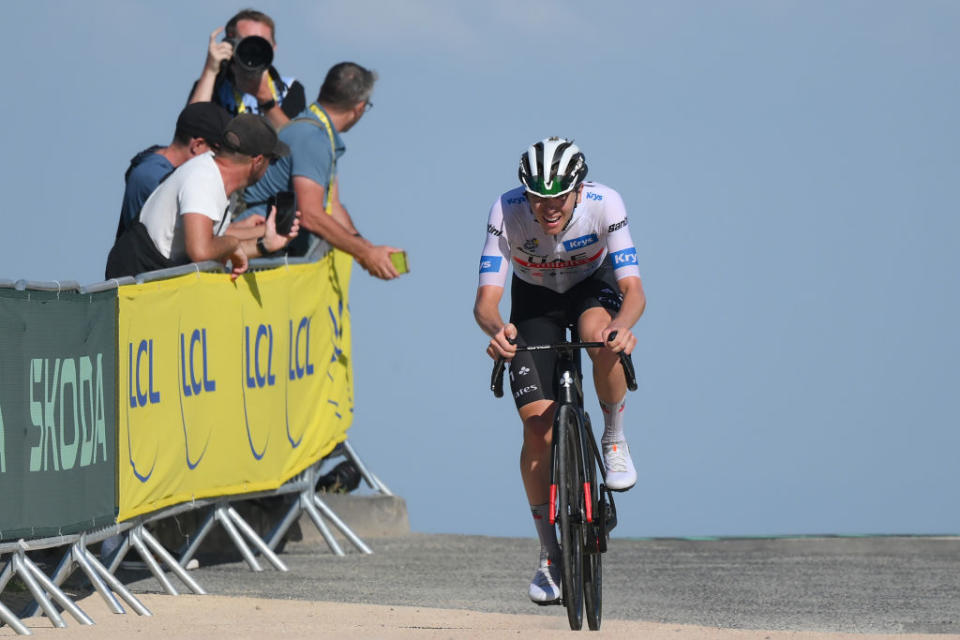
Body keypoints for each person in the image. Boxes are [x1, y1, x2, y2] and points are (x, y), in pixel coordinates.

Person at [473, 137, 646, 604]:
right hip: (535, 302)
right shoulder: (505, 211)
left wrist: (624, 328)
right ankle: (550, 554)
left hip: (593, 288)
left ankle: (613, 435)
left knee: (602, 336)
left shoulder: (605, 203)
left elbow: (633, 290)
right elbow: (486, 302)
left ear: (578, 189)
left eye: (557, 199)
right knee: (537, 429)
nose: (547, 209)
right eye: (537, 198)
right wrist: (497, 330)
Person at [240, 62, 404, 279]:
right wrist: (365, 253)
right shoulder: (313, 138)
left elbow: (332, 206)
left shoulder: (316, 129)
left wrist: (367, 249)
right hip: (253, 246)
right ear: (360, 108)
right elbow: (311, 215)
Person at [105, 114, 299, 280]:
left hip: (152, 277)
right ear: (257, 162)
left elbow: (215, 252)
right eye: (270, 160)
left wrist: (266, 244)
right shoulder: (203, 178)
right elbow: (201, 251)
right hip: (135, 280)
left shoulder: (220, 183)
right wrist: (232, 242)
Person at [116, 102, 232, 240]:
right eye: (218, 151)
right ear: (198, 145)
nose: (221, 160)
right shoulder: (152, 177)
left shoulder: (158, 165)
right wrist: (259, 239)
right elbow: (197, 234)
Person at [188, 9, 306, 130]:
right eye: (247, 43)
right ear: (230, 44)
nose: (254, 51)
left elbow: (296, 142)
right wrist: (210, 71)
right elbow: (190, 134)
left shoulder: (288, 88)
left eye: (261, 44)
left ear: (273, 47)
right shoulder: (212, 87)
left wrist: (266, 100)